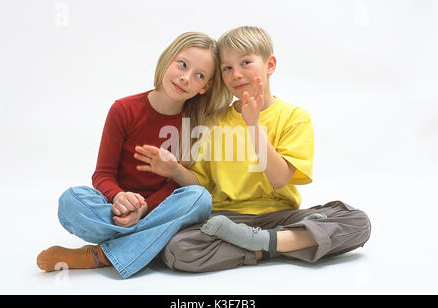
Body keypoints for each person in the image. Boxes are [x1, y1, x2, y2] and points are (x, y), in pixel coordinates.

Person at [134, 26, 371, 273]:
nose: (236, 74)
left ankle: (264, 243)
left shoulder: (294, 117)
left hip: (280, 216)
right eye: (227, 68)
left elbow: (279, 179)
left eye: (246, 62)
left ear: (270, 65)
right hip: (226, 218)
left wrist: (253, 124)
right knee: (178, 250)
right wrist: (175, 170)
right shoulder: (215, 120)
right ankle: (281, 245)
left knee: (357, 222)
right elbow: (201, 185)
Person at [36, 32, 231, 279]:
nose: (185, 77)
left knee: (200, 198)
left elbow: (179, 187)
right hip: (115, 212)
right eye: (182, 64)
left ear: (205, 87)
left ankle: (99, 256)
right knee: (71, 199)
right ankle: (147, 243)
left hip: (159, 211)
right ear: (167, 59)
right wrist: (119, 198)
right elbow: (103, 174)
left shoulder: (194, 124)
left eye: (199, 76)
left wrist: (145, 207)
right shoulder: (124, 109)